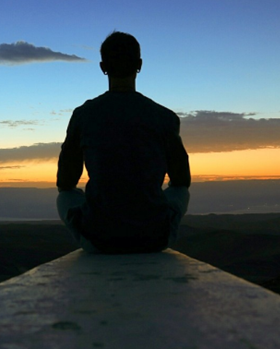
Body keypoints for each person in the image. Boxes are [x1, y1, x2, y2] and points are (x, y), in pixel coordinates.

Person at [56, 31, 191, 254]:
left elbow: (65, 183)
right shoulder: (165, 117)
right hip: (155, 238)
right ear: (139, 65)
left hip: (99, 239)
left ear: (103, 67)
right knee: (179, 191)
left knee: (66, 197)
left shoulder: (84, 115)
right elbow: (181, 180)